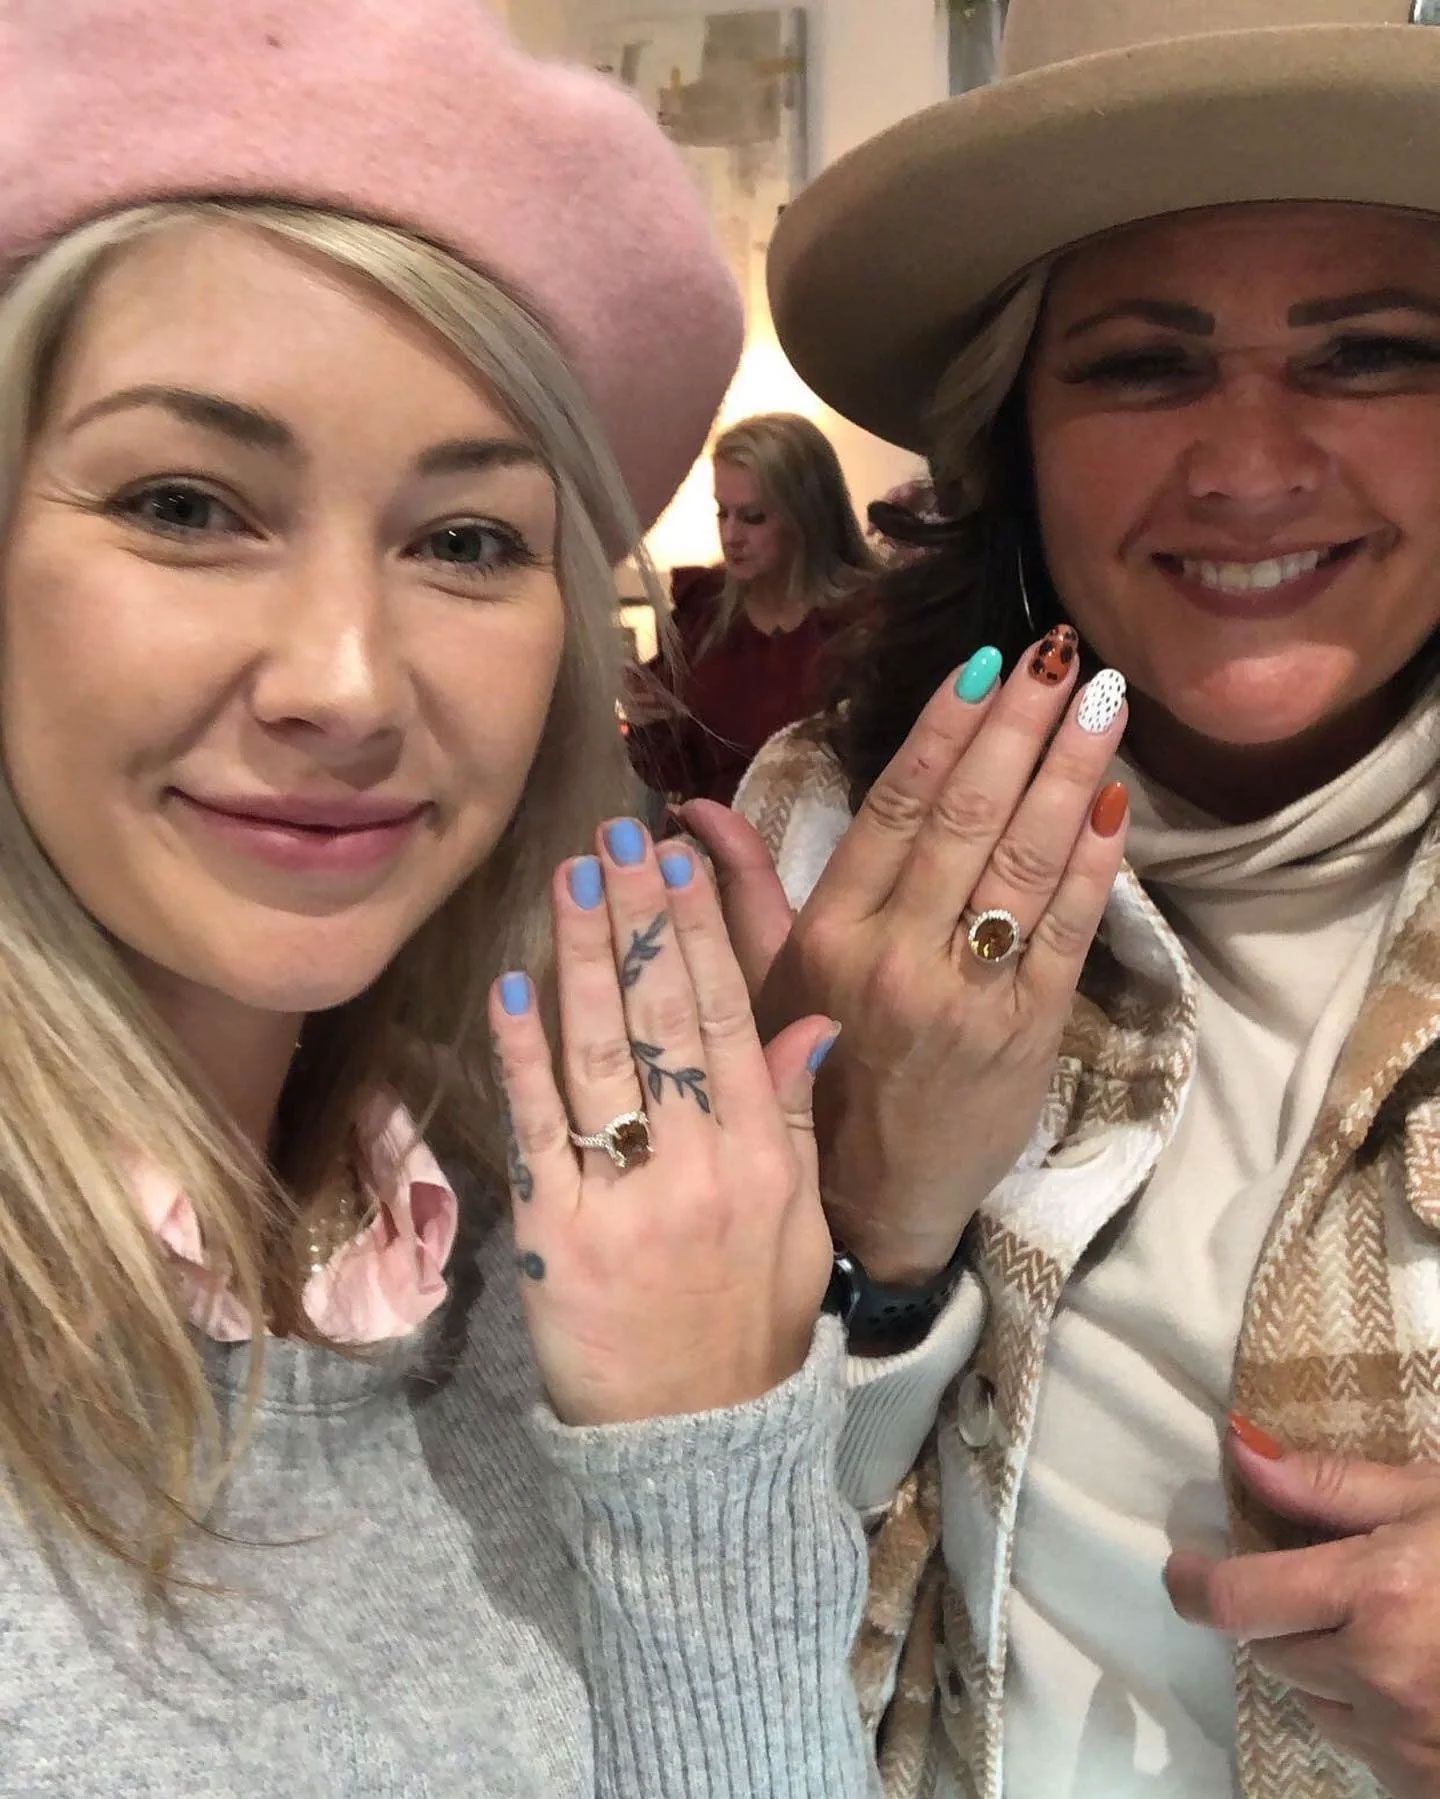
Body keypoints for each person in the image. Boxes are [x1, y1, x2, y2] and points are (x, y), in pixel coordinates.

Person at [0, 5, 887, 1793]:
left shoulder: (493, 1235)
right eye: (185, 503)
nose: (345, 679)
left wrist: (742, 1389)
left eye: (467, 539)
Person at [680, 3, 1440, 1796]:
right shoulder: (820, 839)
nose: (1249, 464)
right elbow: (677, 1579)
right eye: (1142, 367)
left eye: (1371, 354)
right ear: (1014, 441)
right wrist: (872, 1214)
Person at [627, 411, 875, 805]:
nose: (730, 535)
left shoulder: (866, 619)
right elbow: (673, 774)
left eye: (753, 517)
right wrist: (647, 722)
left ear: (806, 516)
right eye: (722, 512)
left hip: (831, 845)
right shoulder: (702, 611)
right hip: (716, 843)